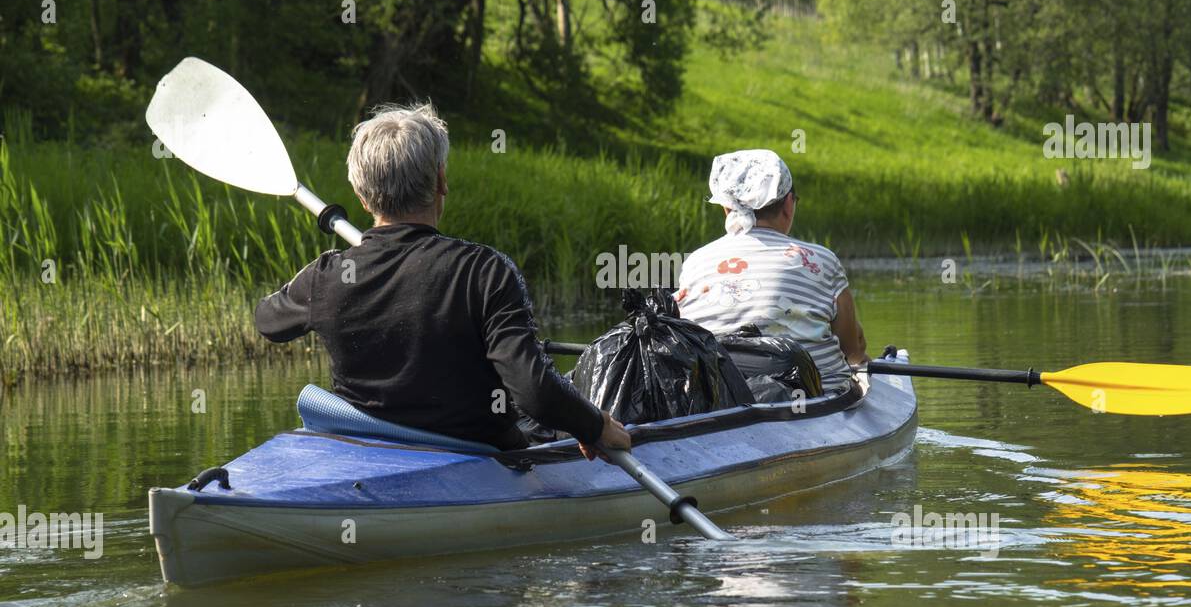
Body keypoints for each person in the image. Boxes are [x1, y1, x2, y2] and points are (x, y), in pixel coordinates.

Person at [254, 102, 630, 460]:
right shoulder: (485, 271)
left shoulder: (327, 278)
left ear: (362, 197)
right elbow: (534, 392)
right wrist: (596, 426)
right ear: (441, 180)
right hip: (479, 454)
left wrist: (320, 281)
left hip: (369, 451)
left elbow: (267, 321)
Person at [674, 149, 866, 392]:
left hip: (721, 400)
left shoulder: (695, 261)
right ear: (788, 204)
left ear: (726, 208)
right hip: (815, 400)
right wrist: (859, 348)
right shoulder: (821, 260)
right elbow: (851, 352)